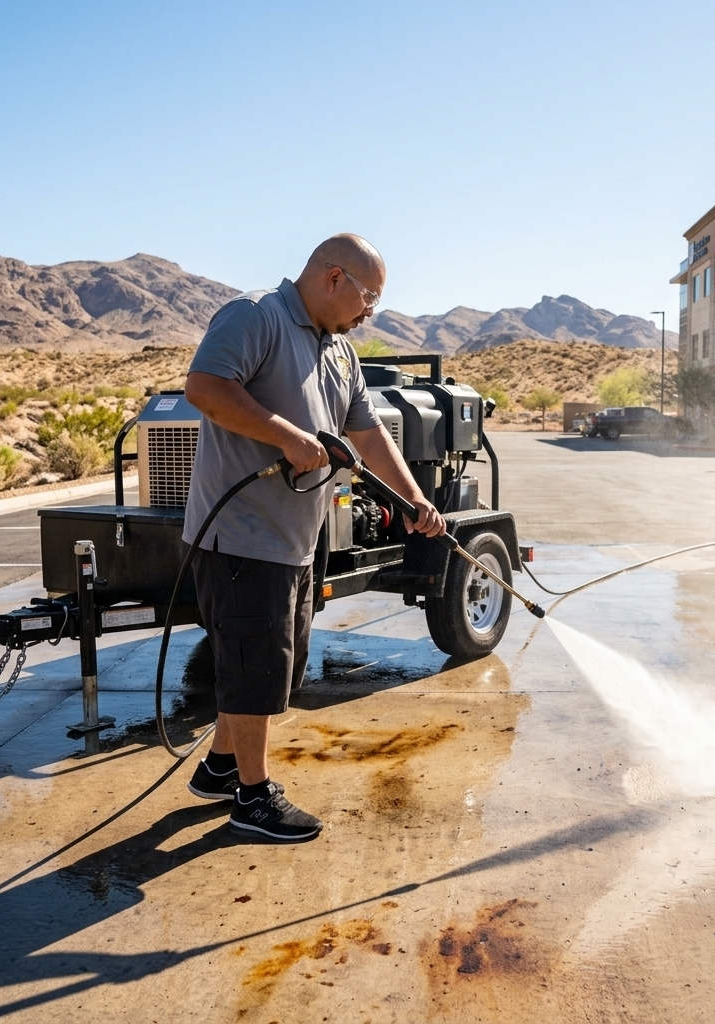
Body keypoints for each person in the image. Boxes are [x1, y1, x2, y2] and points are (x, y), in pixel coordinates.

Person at [181, 234, 445, 842]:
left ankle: (221, 768)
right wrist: (289, 438)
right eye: (368, 296)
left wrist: (414, 499)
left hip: (295, 538)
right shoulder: (256, 317)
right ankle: (252, 796)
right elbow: (206, 387)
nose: (370, 311)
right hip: (240, 535)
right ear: (333, 277)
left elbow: (369, 435)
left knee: (272, 665)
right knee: (254, 667)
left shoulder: (339, 352)